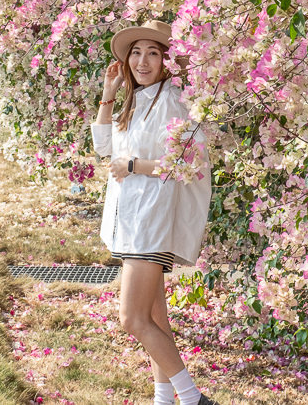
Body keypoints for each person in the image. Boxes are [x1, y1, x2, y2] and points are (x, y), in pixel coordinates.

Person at [92, 20, 215, 405]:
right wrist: (109, 95)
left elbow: (190, 162)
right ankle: (164, 400)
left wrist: (134, 167)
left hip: (151, 221)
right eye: (136, 52)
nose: (142, 61)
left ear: (166, 60)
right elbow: (102, 149)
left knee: (132, 319)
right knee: (157, 319)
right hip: (130, 220)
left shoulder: (173, 101)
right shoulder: (138, 98)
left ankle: (193, 399)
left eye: (153, 53)